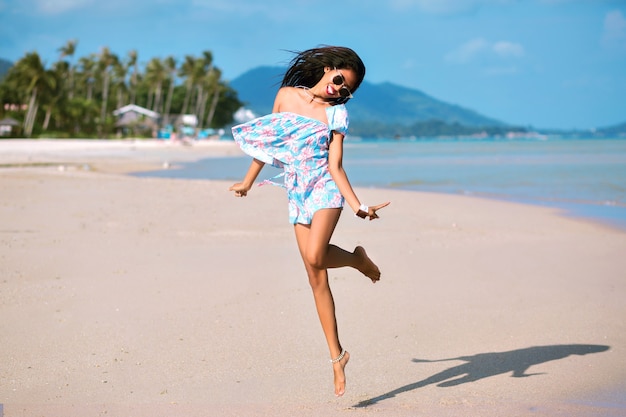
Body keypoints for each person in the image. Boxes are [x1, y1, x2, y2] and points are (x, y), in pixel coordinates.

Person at [229, 46, 390, 397]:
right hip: (297, 189)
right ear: (328, 68)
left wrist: (358, 205)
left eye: (346, 88)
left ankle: (355, 260)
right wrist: (247, 181)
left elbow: (336, 167)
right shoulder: (286, 96)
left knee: (317, 255)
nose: (338, 89)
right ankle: (338, 357)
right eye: (338, 79)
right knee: (315, 276)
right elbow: (268, 145)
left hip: (325, 189)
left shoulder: (337, 115)